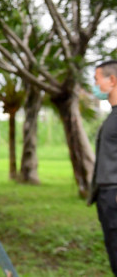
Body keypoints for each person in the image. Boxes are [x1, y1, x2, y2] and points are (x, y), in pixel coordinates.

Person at [89, 60, 117, 275]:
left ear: (112, 80)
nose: (95, 84)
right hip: (106, 195)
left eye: (97, 78)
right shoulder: (112, 116)